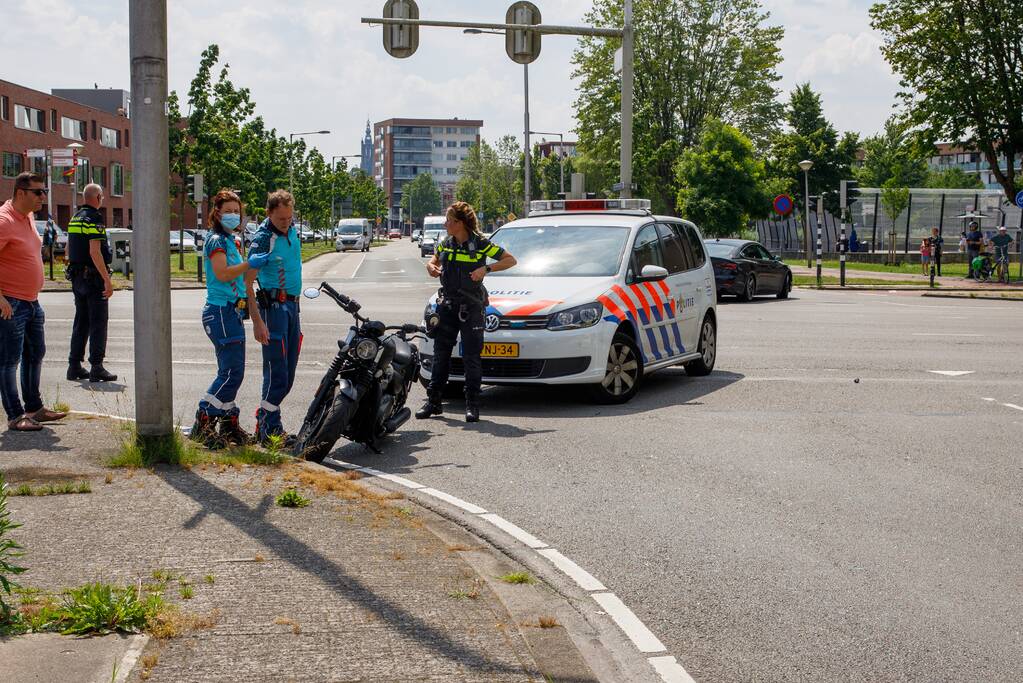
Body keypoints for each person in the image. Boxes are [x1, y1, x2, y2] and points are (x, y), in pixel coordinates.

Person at [416, 201, 517, 423]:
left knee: (471, 357)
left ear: (459, 223)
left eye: (449, 220)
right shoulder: (446, 243)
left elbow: (510, 260)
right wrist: (431, 267)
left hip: (471, 307)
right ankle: (433, 402)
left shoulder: (480, 243)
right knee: (440, 354)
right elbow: (433, 260)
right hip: (448, 305)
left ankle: (472, 405)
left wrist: (485, 268)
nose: (445, 224)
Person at [190, 190, 269, 448]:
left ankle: (227, 423)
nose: (234, 215)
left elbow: (239, 277)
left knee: (232, 371)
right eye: (229, 211)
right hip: (220, 311)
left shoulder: (230, 240)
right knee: (232, 373)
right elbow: (222, 273)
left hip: (231, 311)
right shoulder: (216, 241)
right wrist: (248, 265)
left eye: (237, 211)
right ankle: (203, 420)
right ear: (217, 213)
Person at [0, 173, 67, 431]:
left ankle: (34, 408)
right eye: (38, 192)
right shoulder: (4, 221)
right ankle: (16, 416)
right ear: (20, 193)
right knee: (8, 361)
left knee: (35, 354)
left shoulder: (26, 217)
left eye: (44, 191)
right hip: (11, 304)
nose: (43, 197)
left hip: (31, 302)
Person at [246, 190, 303, 445]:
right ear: (269, 213)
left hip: (292, 307)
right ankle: (268, 429)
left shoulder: (292, 232)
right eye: (281, 219)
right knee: (276, 373)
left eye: (290, 218)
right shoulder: (263, 238)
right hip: (273, 309)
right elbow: (246, 281)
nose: (286, 222)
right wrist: (257, 320)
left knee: (288, 374)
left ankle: (266, 423)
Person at [66, 183, 116, 382]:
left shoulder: (74, 217)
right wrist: (107, 280)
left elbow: (69, 249)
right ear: (98, 197)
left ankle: (74, 365)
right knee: (98, 323)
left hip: (77, 277)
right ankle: (97, 366)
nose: (102, 200)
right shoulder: (94, 218)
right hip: (93, 278)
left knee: (81, 322)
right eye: (102, 197)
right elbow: (95, 252)